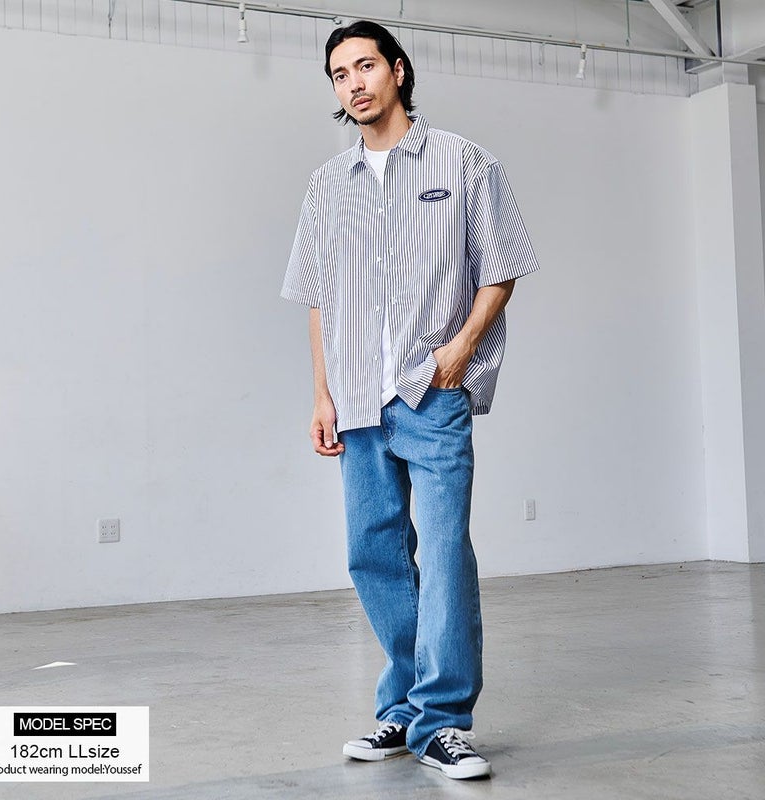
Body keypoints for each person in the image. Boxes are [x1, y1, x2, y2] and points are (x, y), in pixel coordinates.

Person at [281, 20, 539, 781]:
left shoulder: (464, 162)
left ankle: (444, 722)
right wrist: (322, 395)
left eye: (365, 66)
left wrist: (458, 351)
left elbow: (501, 268)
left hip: (431, 392)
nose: (353, 83)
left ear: (397, 70)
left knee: (446, 553)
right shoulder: (327, 186)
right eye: (339, 74)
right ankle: (402, 706)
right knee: (374, 555)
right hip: (355, 397)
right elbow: (319, 300)